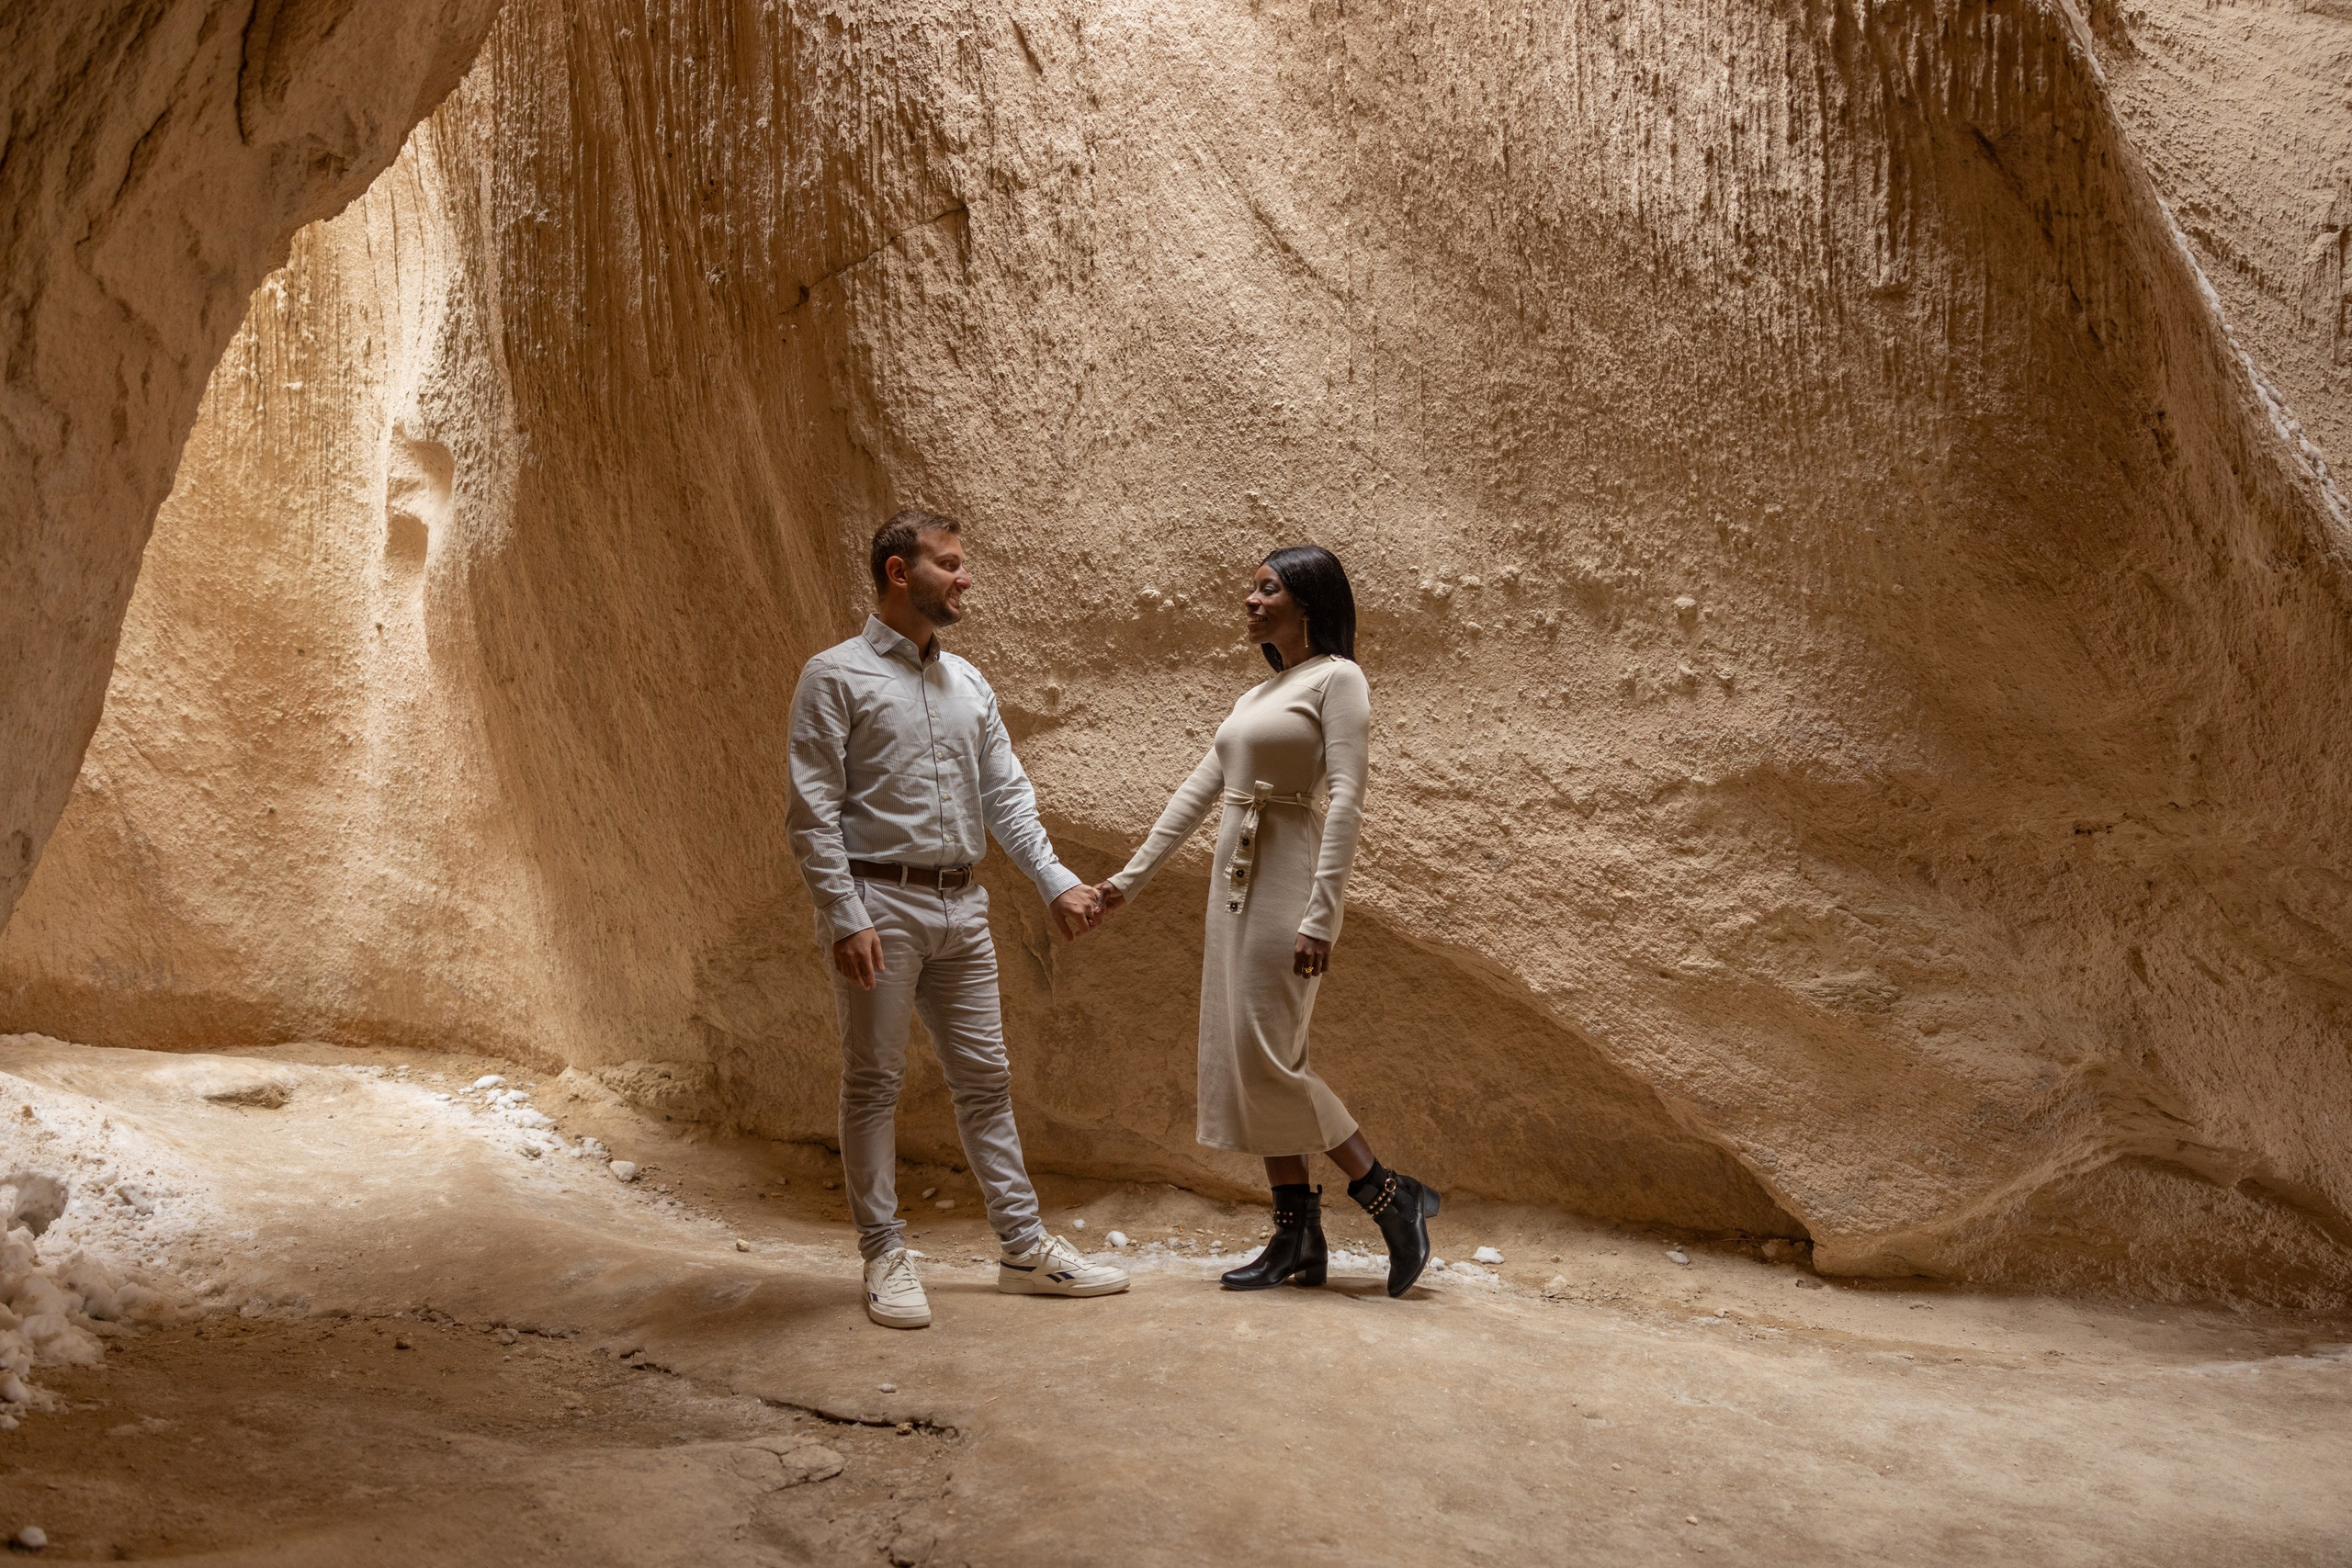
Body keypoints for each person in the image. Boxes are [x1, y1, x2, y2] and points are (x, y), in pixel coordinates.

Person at [786, 507, 1129, 1329]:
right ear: (900, 573)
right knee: (874, 1082)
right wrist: (845, 915)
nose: (964, 576)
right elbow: (811, 809)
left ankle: (1021, 1246)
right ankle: (884, 1253)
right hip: (880, 905)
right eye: (949, 563)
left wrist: (1054, 880)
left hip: (961, 906)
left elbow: (1005, 795)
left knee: (987, 1081)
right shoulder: (833, 675)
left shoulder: (968, 682)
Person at [1095, 545, 1441, 1297]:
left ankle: (1390, 1195)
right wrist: (1128, 880)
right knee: (1246, 1058)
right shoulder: (1259, 694)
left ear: (1309, 600)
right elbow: (1197, 792)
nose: (1251, 600)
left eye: (1267, 588)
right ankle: (1298, 1239)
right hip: (1232, 889)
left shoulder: (1337, 679)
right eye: (1251, 587)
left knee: (1271, 1059)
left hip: (1287, 881)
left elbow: (1346, 798)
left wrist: (1323, 915)